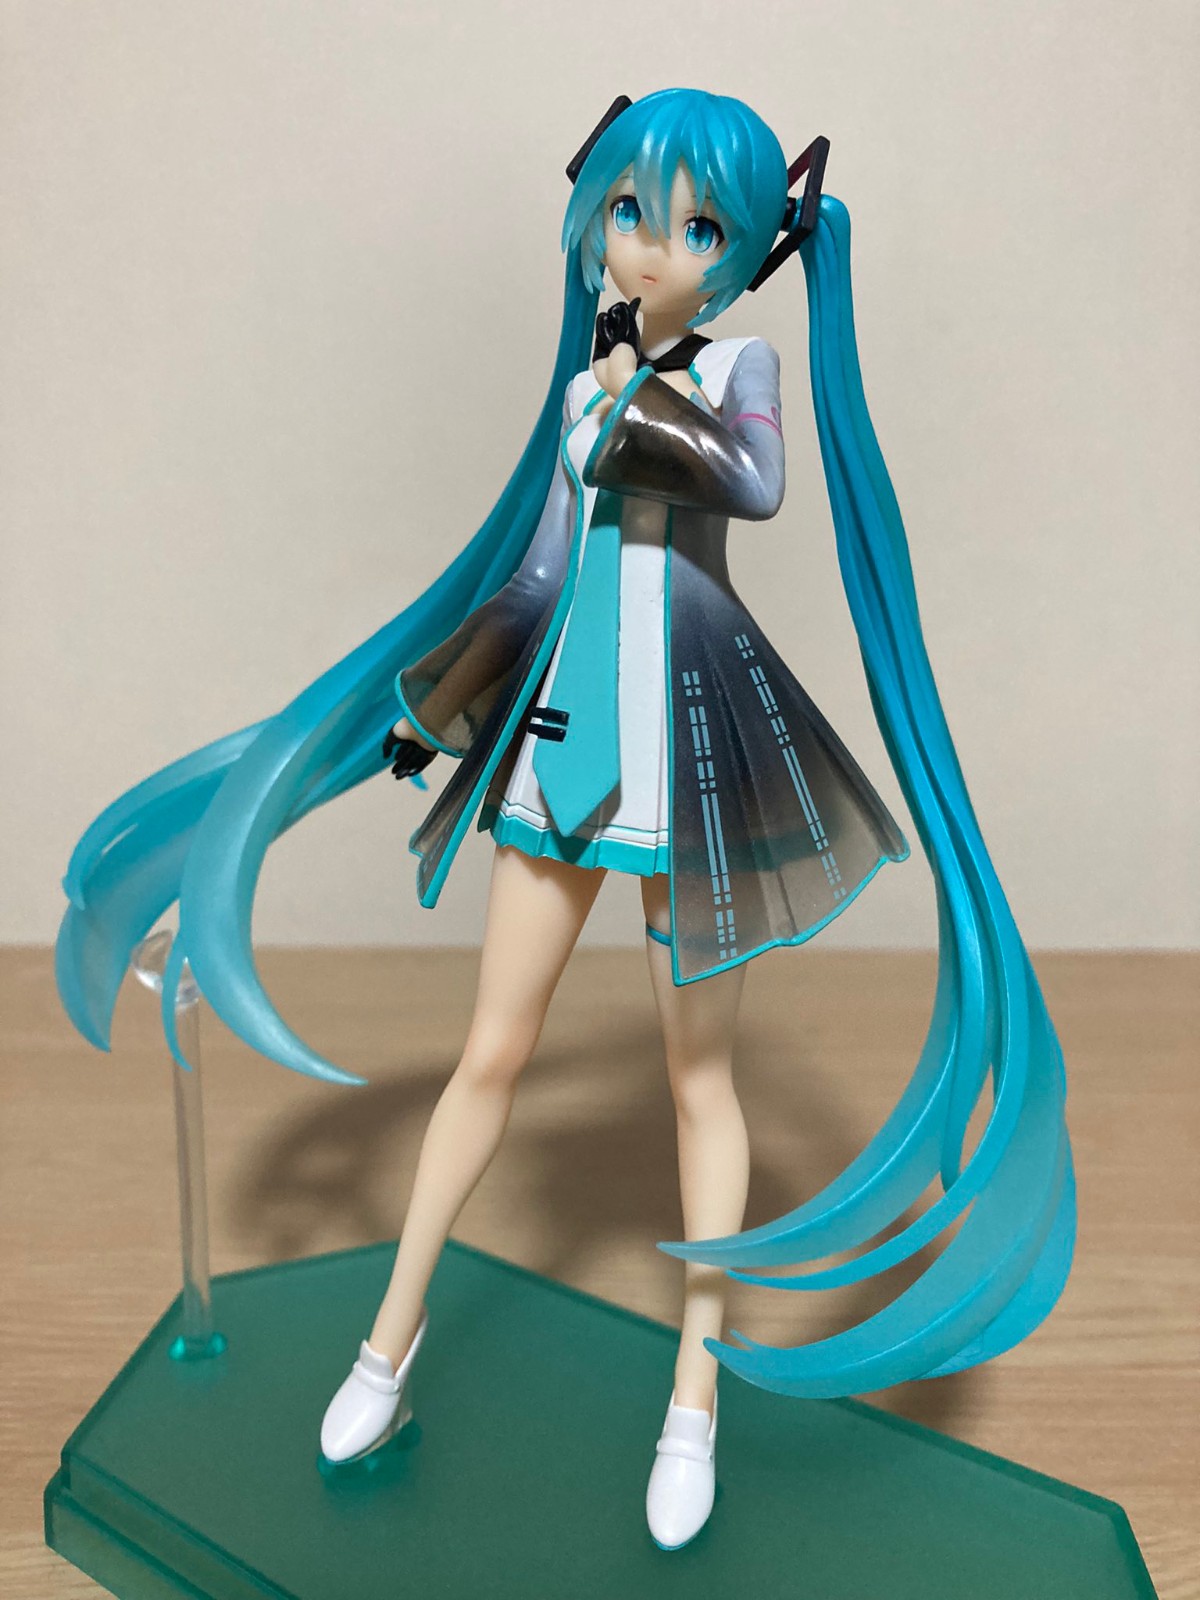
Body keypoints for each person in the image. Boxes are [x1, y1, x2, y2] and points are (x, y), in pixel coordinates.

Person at [56, 88, 1075, 1553]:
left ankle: (693, 1400)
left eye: (698, 228)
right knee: (492, 1051)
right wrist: (441, 707)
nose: (651, 248)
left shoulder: (732, 367)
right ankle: (388, 1343)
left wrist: (626, 407)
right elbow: (538, 574)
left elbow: (758, 481)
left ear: (746, 252)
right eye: (631, 212)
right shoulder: (588, 385)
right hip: (559, 746)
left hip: (692, 753)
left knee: (699, 1084)